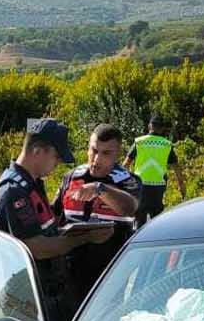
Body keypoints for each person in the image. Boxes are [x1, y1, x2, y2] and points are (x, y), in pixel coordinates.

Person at [0, 118, 112, 321]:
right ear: (38, 151)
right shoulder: (14, 190)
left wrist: (73, 229)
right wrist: (84, 238)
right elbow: (35, 247)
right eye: (56, 156)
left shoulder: (32, 183)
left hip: (47, 291)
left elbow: (45, 228)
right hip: (28, 299)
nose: (57, 163)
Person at [53, 123, 142, 303]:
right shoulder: (72, 177)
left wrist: (100, 189)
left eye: (106, 153)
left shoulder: (127, 180)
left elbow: (130, 208)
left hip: (109, 277)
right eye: (94, 150)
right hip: (68, 272)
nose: (96, 159)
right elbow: (53, 217)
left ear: (118, 154)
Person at [123, 113, 186, 224]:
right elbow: (177, 168)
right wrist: (181, 187)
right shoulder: (167, 145)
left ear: (149, 126)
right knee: (157, 222)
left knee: (139, 221)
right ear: (162, 129)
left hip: (140, 186)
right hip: (158, 188)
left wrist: (121, 184)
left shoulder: (139, 142)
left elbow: (126, 165)